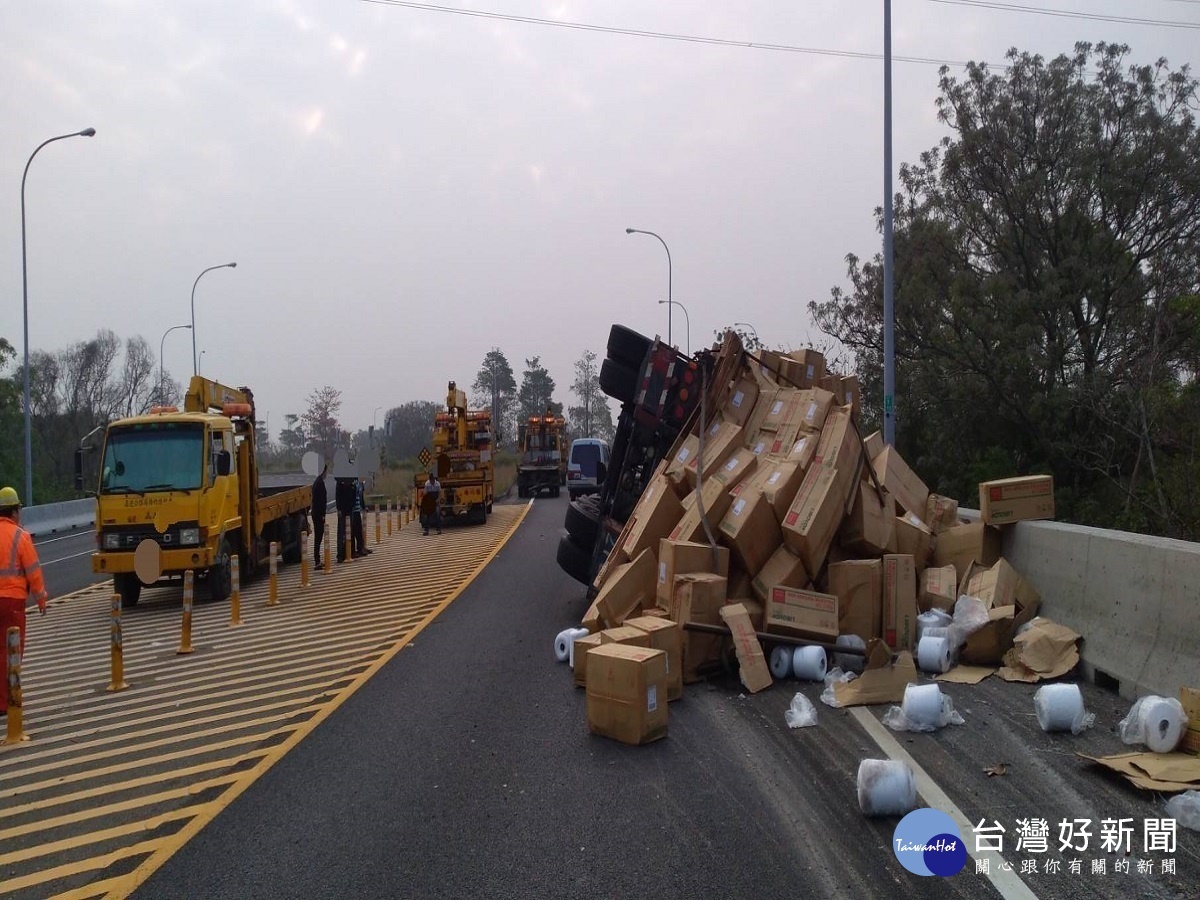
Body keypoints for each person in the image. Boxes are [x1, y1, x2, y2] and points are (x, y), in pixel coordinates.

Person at [0, 487, 48, 719]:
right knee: (12, 652)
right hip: (13, 603)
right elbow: (33, 572)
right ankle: (7, 700)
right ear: (14, 512)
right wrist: (41, 599)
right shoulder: (21, 536)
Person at [334, 476, 356, 563]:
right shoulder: (340, 481)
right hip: (343, 510)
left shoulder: (351, 480)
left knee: (349, 532)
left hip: (349, 509)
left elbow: (354, 492)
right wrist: (339, 509)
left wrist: (353, 505)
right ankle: (340, 555)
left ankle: (350, 552)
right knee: (341, 533)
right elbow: (338, 495)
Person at [311, 463, 328, 569]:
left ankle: (317, 560)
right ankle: (317, 561)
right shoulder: (319, 483)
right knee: (318, 537)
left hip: (316, 513)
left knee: (319, 537)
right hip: (318, 514)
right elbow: (320, 501)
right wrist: (322, 515)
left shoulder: (318, 482)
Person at [352, 477, 371, 557]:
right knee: (353, 531)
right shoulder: (353, 481)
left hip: (357, 509)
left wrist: (363, 507)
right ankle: (352, 551)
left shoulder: (360, 483)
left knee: (359, 530)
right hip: (352, 510)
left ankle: (361, 547)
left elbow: (361, 496)